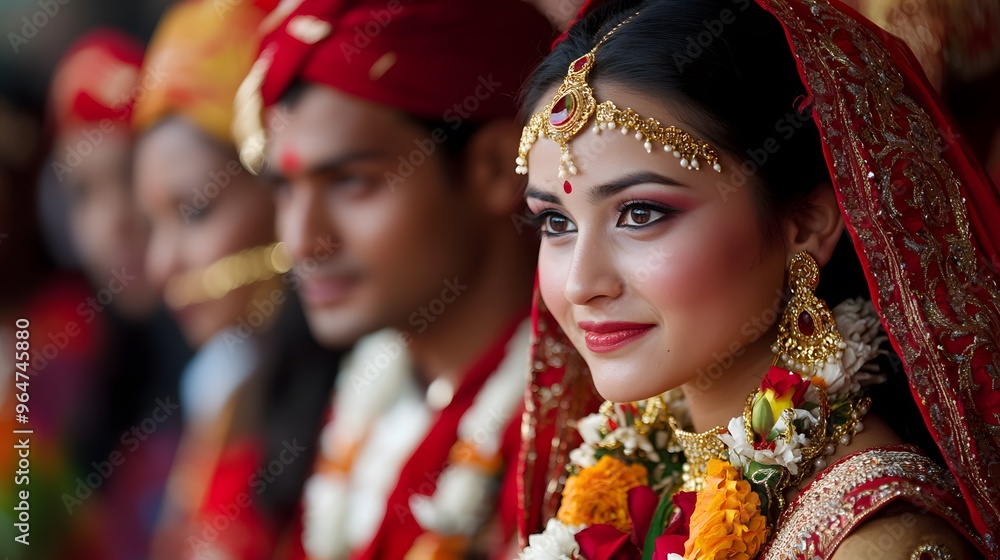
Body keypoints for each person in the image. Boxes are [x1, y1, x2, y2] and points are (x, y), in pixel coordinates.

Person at [515, 0, 999, 558]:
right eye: (556, 222)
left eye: (640, 213)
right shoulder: (636, 481)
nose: (580, 285)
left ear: (805, 224)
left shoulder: (876, 541)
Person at [233, 0, 553, 557]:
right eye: (285, 188)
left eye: (351, 182)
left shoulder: (573, 435)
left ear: (497, 168)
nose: (303, 239)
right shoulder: (353, 405)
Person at [131, 1, 342, 557]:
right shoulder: (225, 382)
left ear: (282, 189)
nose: (161, 265)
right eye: (150, 223)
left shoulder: (360, 401)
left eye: (195, 212)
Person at [45, 28, 190, 559]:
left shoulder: (249, 363)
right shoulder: (86, 375)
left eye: (129, 175)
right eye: (83, 192)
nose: (112, 224)